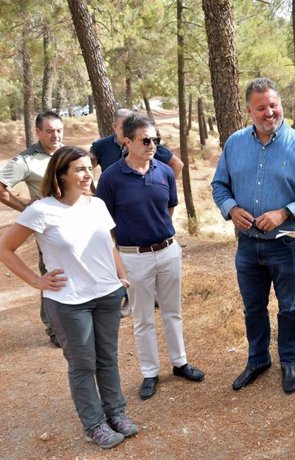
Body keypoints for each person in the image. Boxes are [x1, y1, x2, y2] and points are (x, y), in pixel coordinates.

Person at [0, 146, 138, 449]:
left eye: (89, 168)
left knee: (107, 358)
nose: (87, 174)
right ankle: (94, 425)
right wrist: (37, 280)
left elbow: (110, 246)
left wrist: (121, 278)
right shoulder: (41, 209)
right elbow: (4, 248)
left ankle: (116, 412)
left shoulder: (97, 205)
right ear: (61, 173)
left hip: (106, 295)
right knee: (83, 364)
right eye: (79, 169)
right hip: (68, 302)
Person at [211, 77, 295, 395]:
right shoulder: (234, 144)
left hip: (287, 244)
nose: (269, 112)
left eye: (273, 105)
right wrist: (231, 208)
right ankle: (258, 360)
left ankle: (289, 361)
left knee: (289, 306)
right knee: (253, 308)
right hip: (247, 245)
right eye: (261, 107)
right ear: (249, 111)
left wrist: (284, 212)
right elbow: (219, 186)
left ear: (281, 106)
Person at [96, 114, 204, 401]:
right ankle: (149, 373)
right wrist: (120, 258)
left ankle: (180, 363)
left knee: (173, 311)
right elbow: (104, 223)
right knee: (142, 317)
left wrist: (160, 235)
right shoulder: (110, 178)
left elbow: (168, 208)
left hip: (168, 251)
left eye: (155, 139)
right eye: (146, 140)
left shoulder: (164, 172)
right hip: (134, 257)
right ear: (127, 141)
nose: (152, 145)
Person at [0, 110, 64, 347]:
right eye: (49, 131)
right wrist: (25, 209)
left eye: (59, 130)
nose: (55, 135)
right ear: (38, 132)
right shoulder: (27, 160)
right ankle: (53, 328)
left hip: (75, 223)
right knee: (52, 274)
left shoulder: (66, 153)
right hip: (48, 230)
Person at [90, 108, 184, 178]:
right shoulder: (101, 146)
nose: (128, 130)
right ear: (114, 127)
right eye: (124, 127)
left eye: (132, 127)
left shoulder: (148, 144)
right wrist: (91, 192)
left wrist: (165, 187)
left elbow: (177, 164)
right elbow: (86, 167)